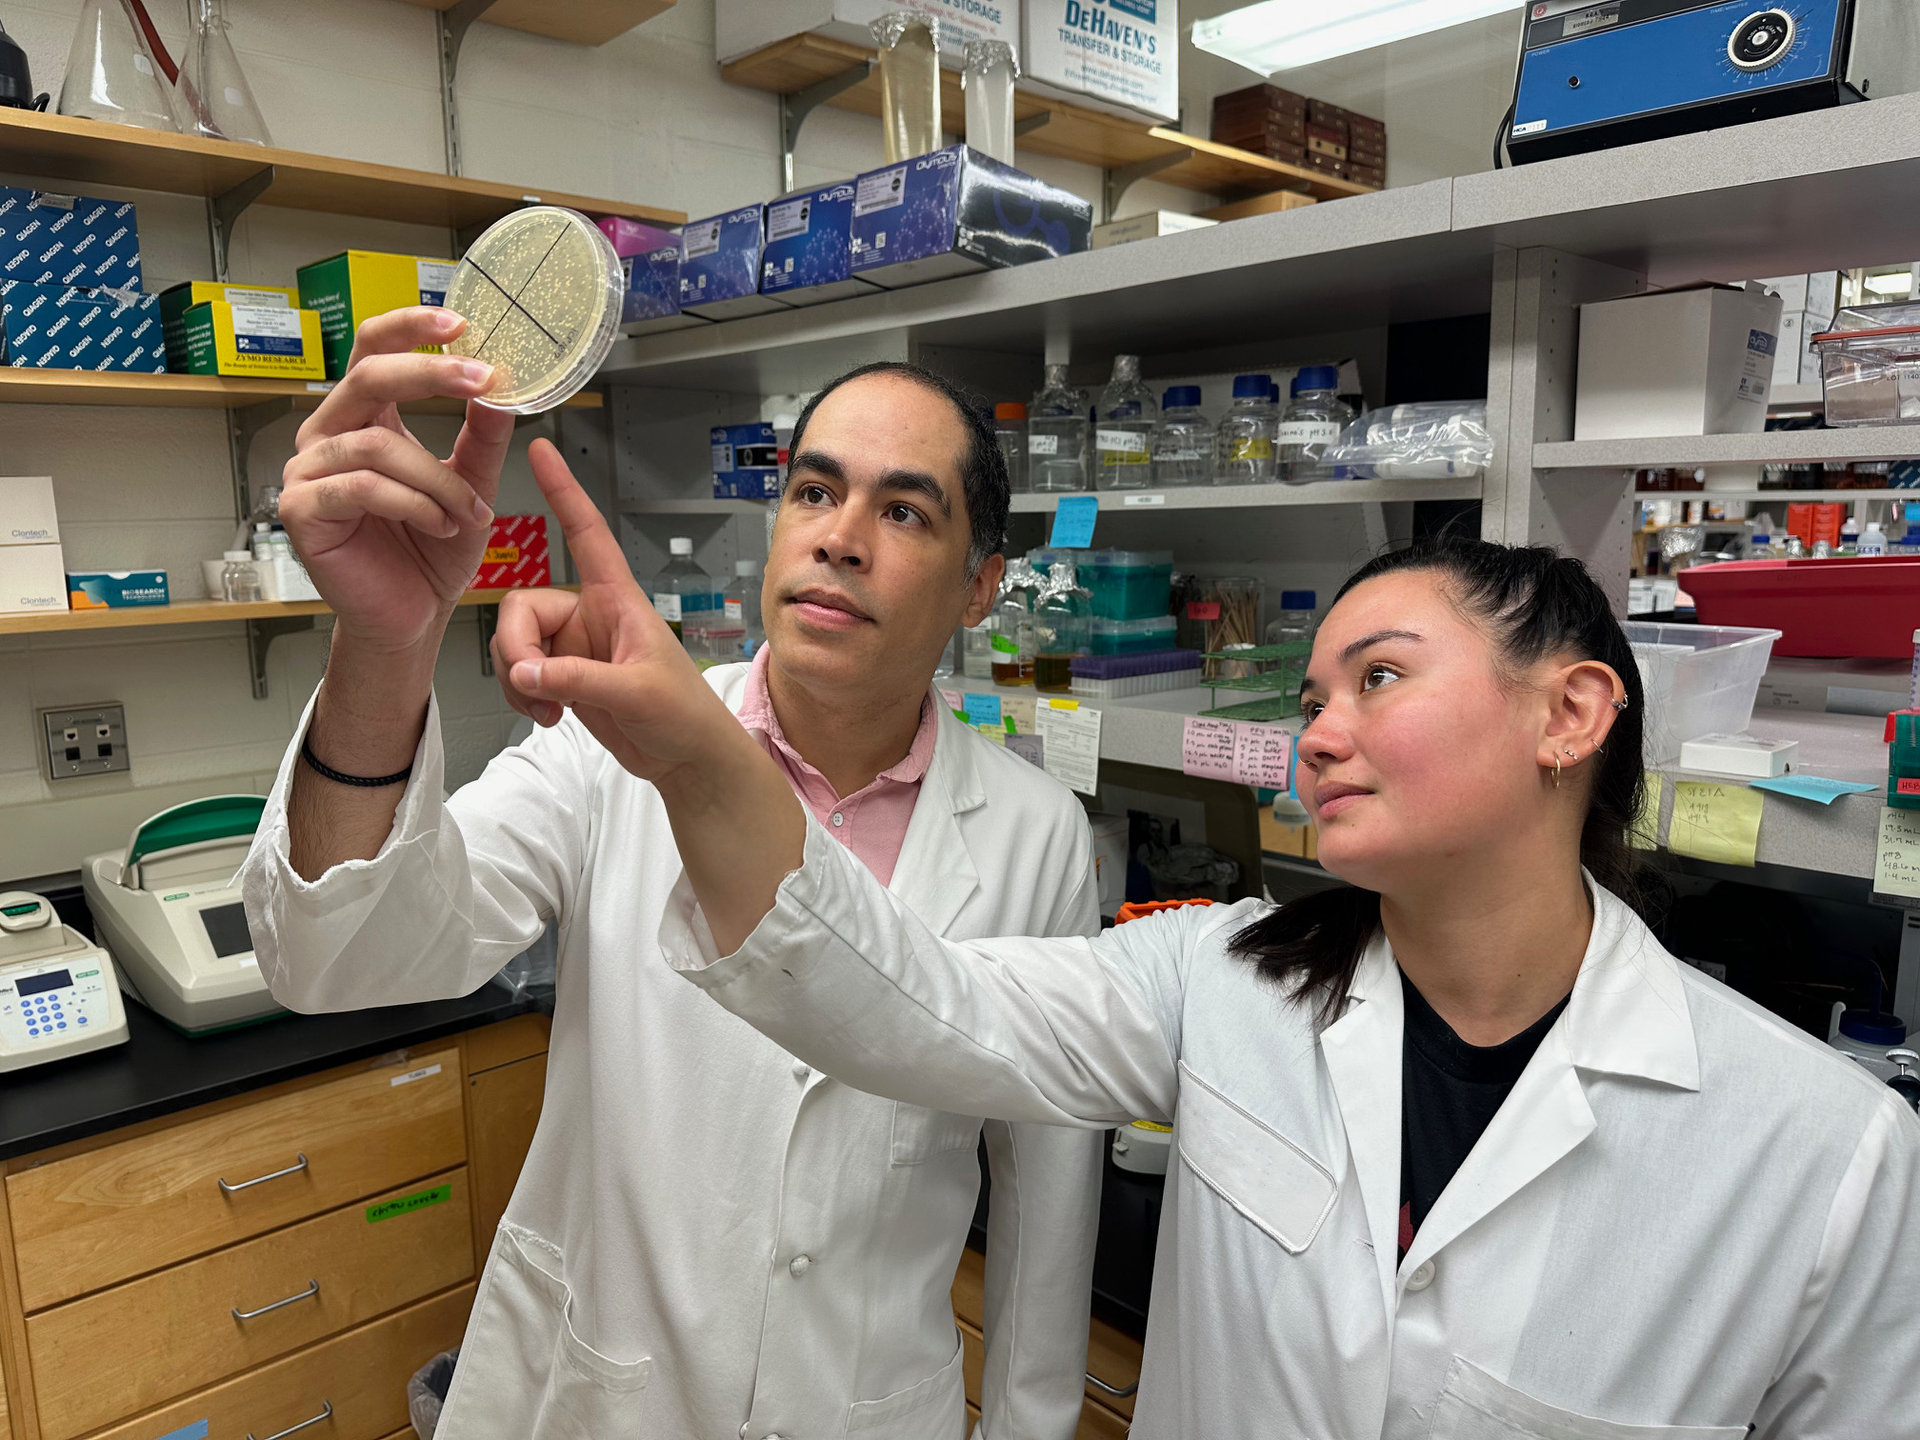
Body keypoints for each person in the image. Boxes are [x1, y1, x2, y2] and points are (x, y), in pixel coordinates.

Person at [503, 534, 1920, 1438]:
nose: (1321, 736)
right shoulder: (1220, 978)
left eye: (1378, 679)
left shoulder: (1824, 1153)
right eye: (1311, 702)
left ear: (1570, 711)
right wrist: (704, 758)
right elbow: (904, 997)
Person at [238, 312, 1107, 1440]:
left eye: (904, 511)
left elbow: (1048, 1199)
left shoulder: (1039, 836)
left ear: (981, 587)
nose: (840, 539)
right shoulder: (613, 742)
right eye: (814, 491)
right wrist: (387, 643)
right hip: (604, 1400)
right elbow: (338, 955)